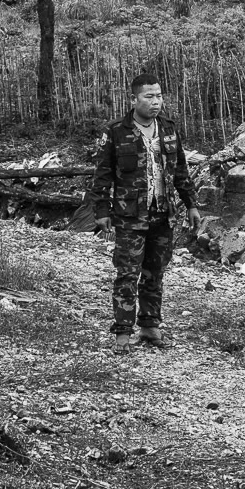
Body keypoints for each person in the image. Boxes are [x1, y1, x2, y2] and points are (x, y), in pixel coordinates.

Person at [90, 72, 201, 351]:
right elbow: (102, 176)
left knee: (155, 272)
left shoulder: (168, 128)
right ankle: (123, 334)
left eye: (159, 96)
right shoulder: (115, 131)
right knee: (127, 273)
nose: (156, 102)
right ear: (134, 99)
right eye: (149, 96)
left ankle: (150, 327)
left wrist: (191, 204)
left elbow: (181, 171)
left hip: (163, 213)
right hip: (130, 216)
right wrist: (102, 211)